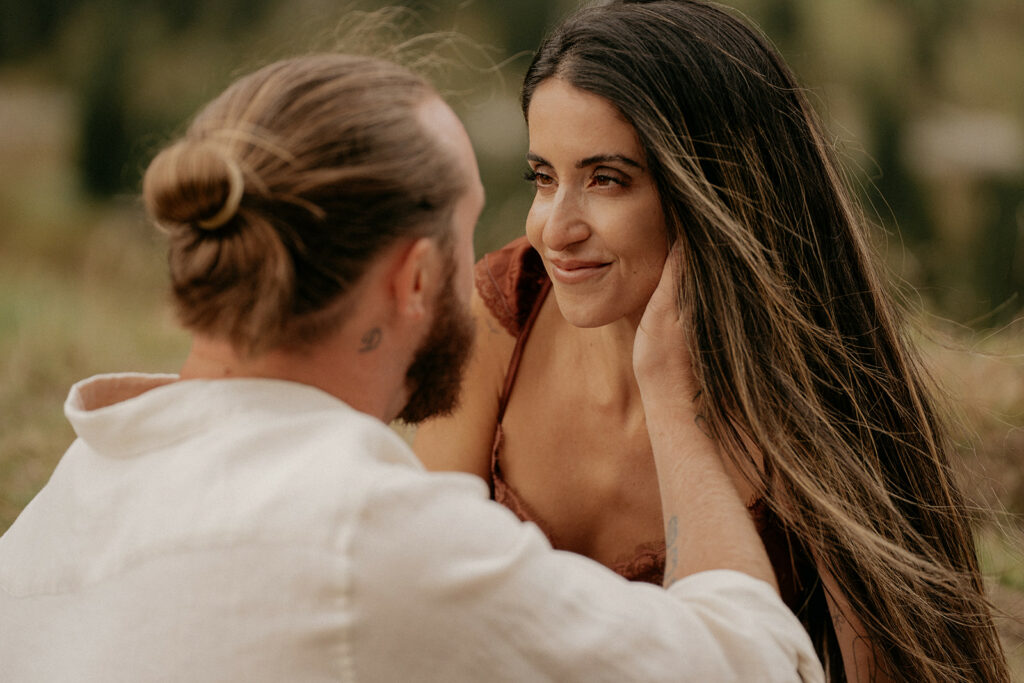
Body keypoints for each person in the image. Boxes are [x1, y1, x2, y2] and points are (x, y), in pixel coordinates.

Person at [0, 52, 823, 681]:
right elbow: (756, 663)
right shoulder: (371, 537)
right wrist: (675, 397)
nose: (529, 243)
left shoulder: (56, 515)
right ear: (416, 278)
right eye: (471, 234)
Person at [413, 1, 1010, 682]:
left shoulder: (807, 380)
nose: (555, 226)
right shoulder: (503, 313)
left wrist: (670, 390)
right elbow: (419, 601)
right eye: (544, 178)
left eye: (607, 179)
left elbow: (893, 670)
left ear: (715, 191)